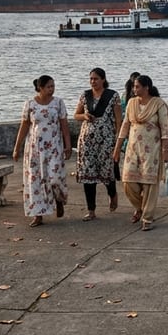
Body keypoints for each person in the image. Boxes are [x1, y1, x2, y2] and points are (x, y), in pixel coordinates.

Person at [112, 74, 168, 231]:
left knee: (149, 184)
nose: (134, 89)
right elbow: (125, 126)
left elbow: (165, 129)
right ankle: (139, 207)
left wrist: (166, 150)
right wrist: (117, 148)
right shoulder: (131, 103)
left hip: (152, 149)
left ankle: (147, 217)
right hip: (133, 149)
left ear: (147, 88)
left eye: (137, 86)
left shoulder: (159, 104)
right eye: (133, 86)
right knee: (128, 182)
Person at [13, 75, 72, 228]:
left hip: (54, 146)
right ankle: (37, 215)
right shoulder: (30, 104)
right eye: (48, 87)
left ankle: (58, 200)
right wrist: (17, 147)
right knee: (35, 181)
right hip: (34, 148)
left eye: (53, 86)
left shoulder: (58, 103)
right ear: (40, 88)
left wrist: (68, 145)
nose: (51, 90)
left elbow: (64, 126)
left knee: (54, 178)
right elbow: (24, 126)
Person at [74, 68, 122, 221]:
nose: (93, 81)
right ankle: (91, 209)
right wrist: (84, 116)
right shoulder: (85, 95)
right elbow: (76, 115)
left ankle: (112, 193)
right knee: (88, 175)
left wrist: (117, 140)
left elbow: (118, 120)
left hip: (106, 140)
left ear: (103, 79)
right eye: (91, 79)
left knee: (107, 171)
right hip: (87, 141)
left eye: (96, 79)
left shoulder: (112, 96)